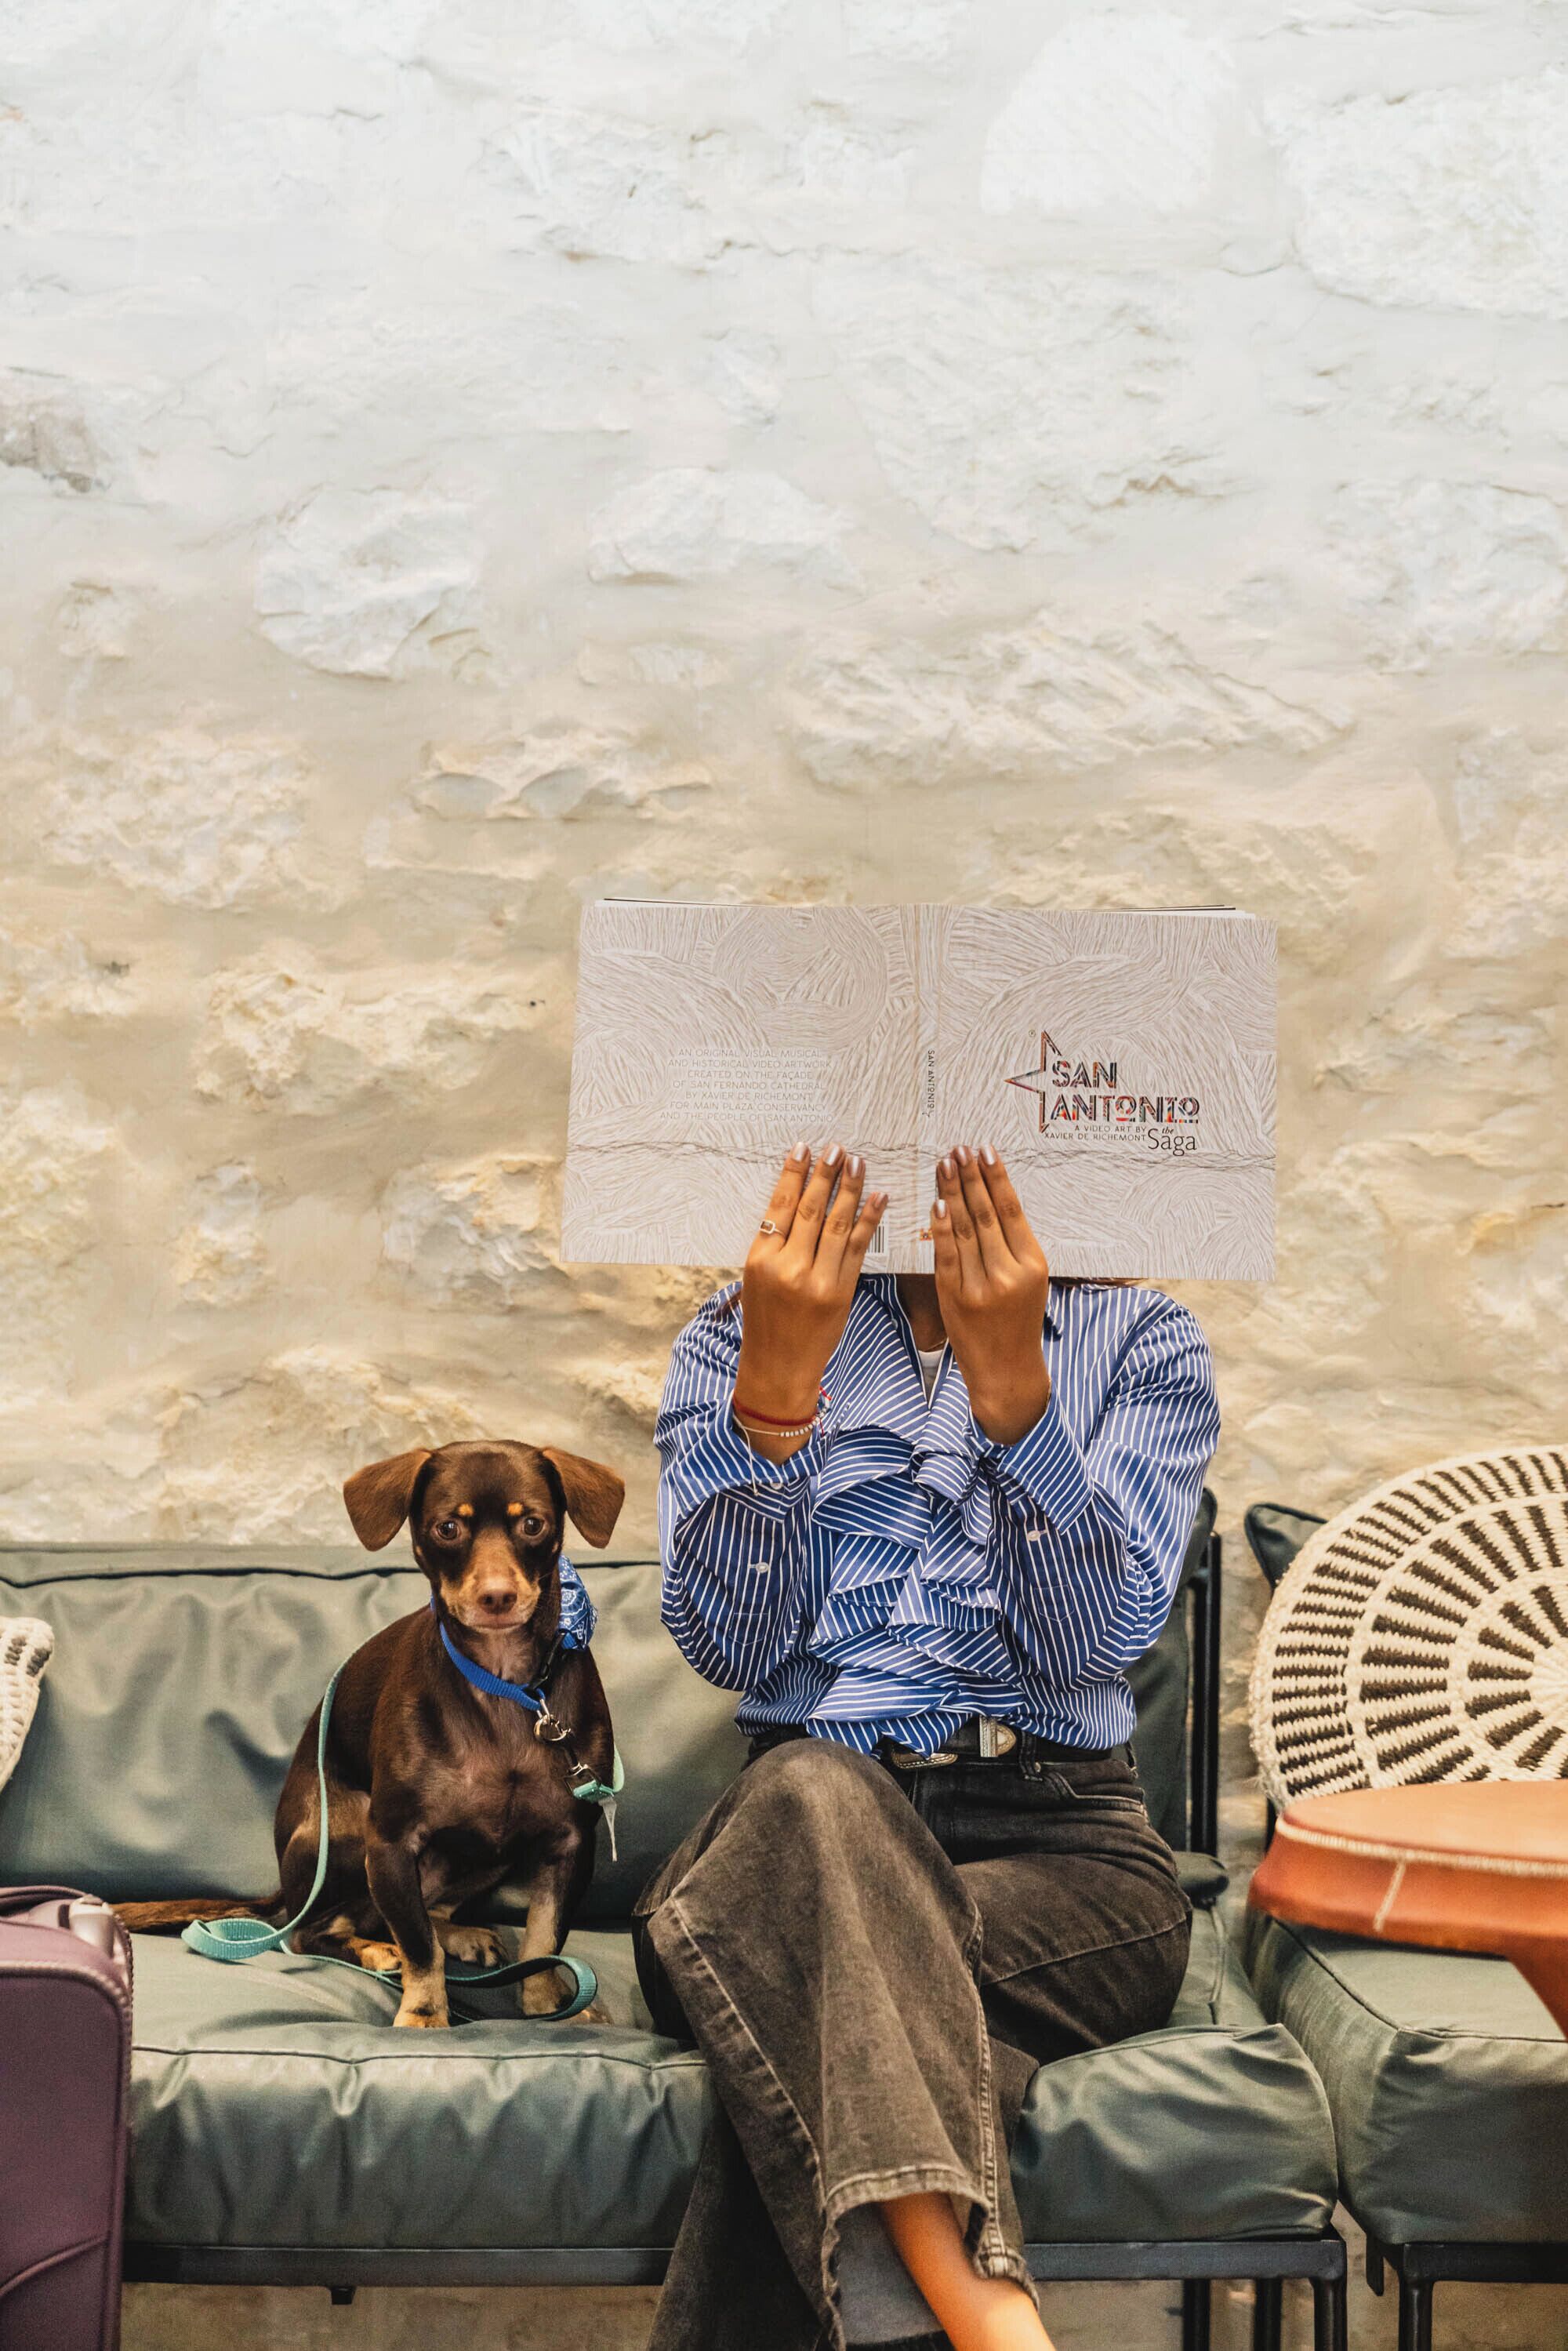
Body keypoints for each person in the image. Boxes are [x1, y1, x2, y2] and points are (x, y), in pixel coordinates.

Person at [633, 1140, 1221, 2351]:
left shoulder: (1144, 1341)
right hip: (790, 1845)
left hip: (1063, 1852)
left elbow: (1091, 1649)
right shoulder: (724, 1338)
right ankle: (983, 2312)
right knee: (810, 1787)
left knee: (829, 2004)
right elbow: (738, 1648)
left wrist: (1018, 1403)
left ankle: (955, 2298)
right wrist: (774, 1403)